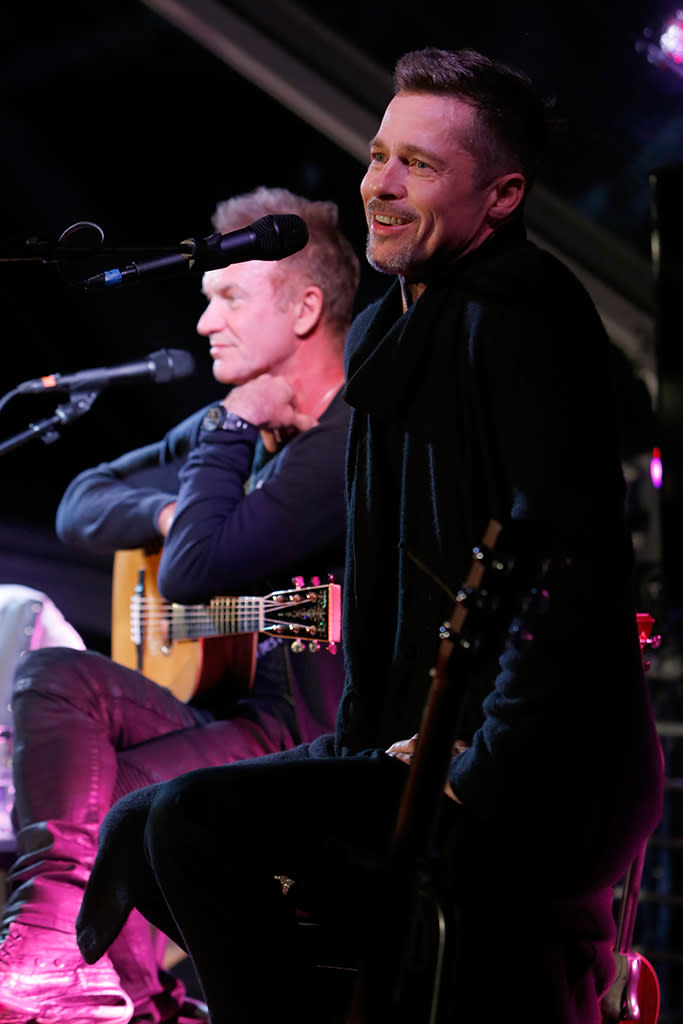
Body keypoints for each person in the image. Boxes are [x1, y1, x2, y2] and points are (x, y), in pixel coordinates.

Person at [75, 49, 664, 1024]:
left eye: (419, 167)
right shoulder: (392, 328)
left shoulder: (525, 315)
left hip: (528, 767)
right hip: (407, 741)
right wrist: (364, 750)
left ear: (502, 194)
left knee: (188, 822)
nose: (379, 186)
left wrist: (471, 768)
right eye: (377, 155)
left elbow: (566, 567)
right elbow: (388, 581)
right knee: (144, 823)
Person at [0, 186, 360, 1024]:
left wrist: (229, 437)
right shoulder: (235, 430)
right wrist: (171, 508)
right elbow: (81, 500)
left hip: (322, 744)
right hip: (246, 720)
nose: (203, 324)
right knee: (55, 675)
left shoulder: (345, 444)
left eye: (228, 296)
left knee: (117, 805)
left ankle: (125, 992)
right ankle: (63, 958)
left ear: (306, 308)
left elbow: (199, 572)